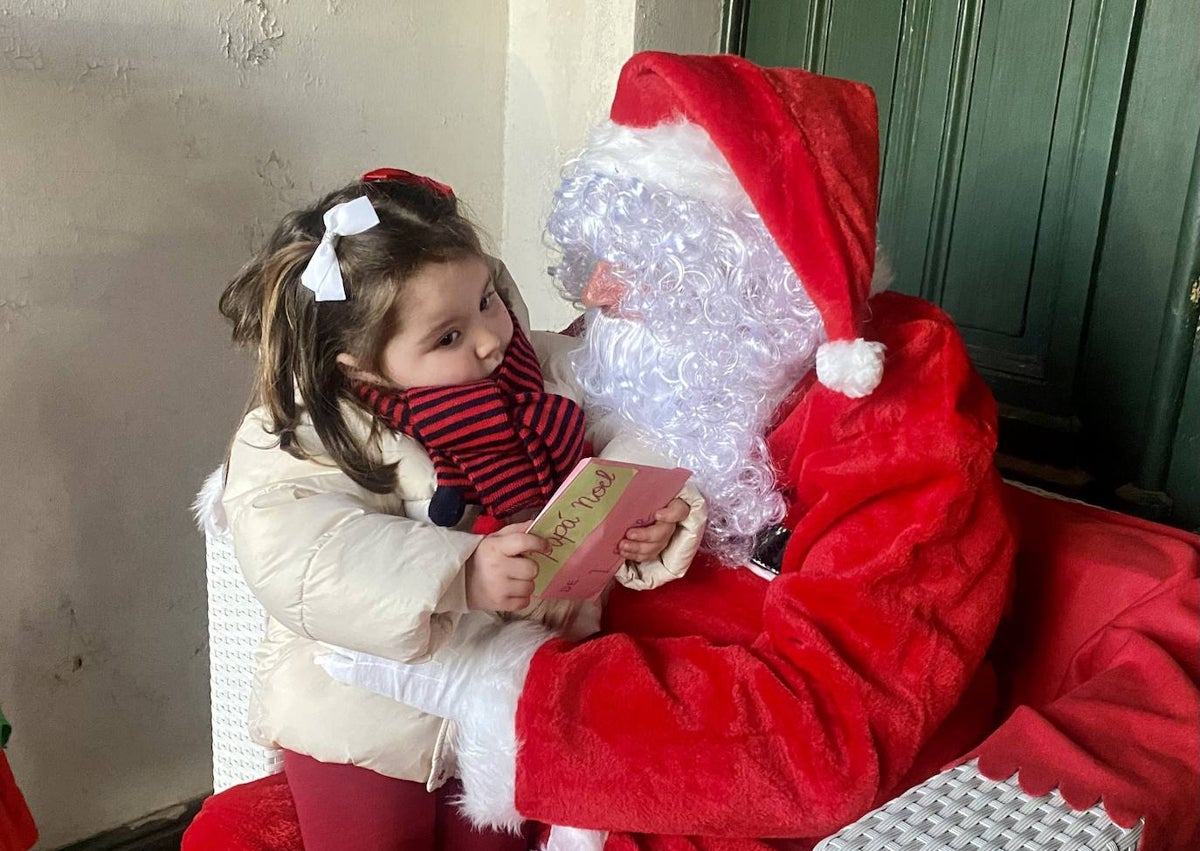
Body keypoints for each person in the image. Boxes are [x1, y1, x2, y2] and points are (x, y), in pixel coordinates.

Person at [319, 53, 1018, 851]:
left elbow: (825, 739)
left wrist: (503, 687)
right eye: (595, 256)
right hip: (576, 749)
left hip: (734, 791)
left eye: (647, 257)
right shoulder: (637, 355)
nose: (595, 294)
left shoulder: (900, 418)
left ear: (758, 273)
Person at [216, 167, 705, 851]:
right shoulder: (307, 430)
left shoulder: (533, 368)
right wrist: (459, 573)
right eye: (446, 335)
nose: (487, 338)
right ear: (359, 362)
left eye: (488, 299)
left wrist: (651, 516)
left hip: (501, 697)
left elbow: (624, 416)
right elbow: (302, 555)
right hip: (362, 714)